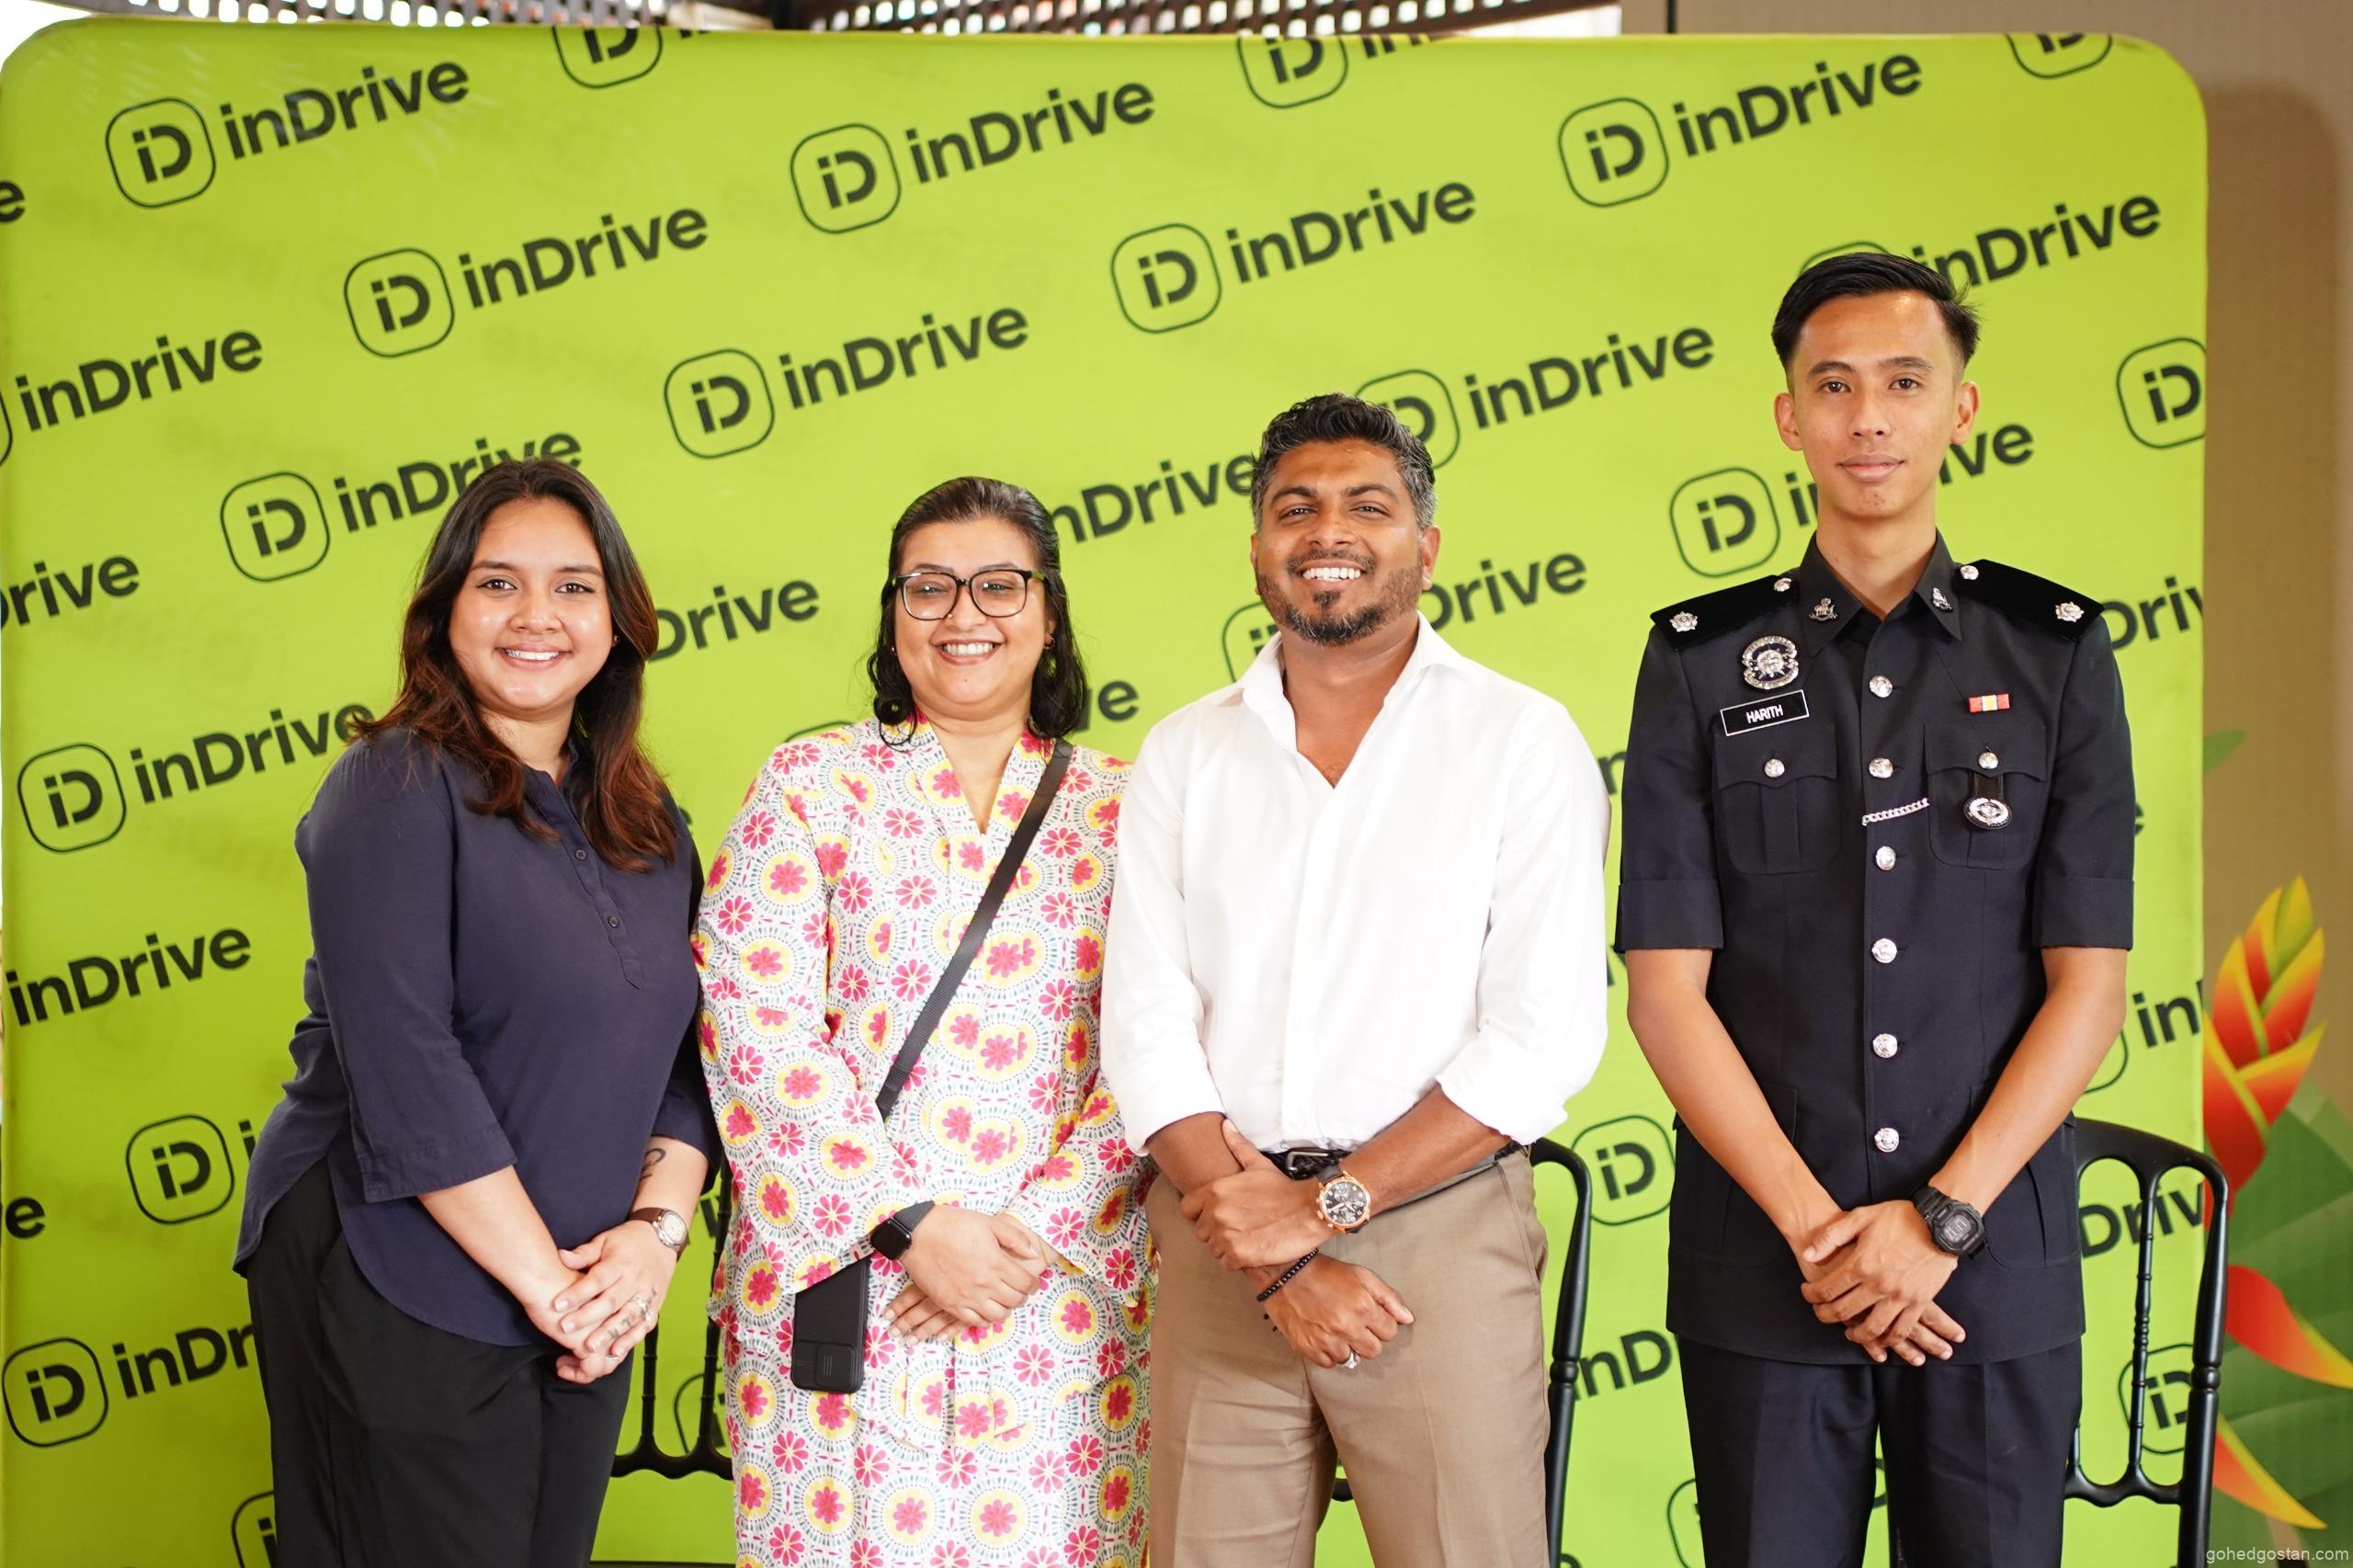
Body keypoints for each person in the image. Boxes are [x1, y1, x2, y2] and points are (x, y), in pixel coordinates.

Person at [1617, 252, 2134, 1568]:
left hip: (1991, 1268)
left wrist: (1941, 1220)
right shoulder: (1699, 661)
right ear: (1787, 417)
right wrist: (1824, 1239)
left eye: (1905, 382)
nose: (1869, 417)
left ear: (1962, 408)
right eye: (1833, 385)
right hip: (1767, 1270)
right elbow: (1665, 989)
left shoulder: (2056, 651)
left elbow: (2089, 982)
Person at [1098, 392, 1610, 1568]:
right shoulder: (1185, 750)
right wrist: (1273, 1247)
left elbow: (1540, 1037)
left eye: (1366, 507)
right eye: (1296, 509)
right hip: (1222, 1236)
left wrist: (1323, 1210)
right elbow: (1145, 1025)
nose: (1327, 531)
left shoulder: (1521, 740)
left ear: (1426, 544)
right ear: (1257, 549)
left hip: (1438, 1234)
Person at [234, 458, 720, 1567]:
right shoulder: (392, 783)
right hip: (394, 1263)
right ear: (444, 611)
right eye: (498, 582)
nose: (536, 615)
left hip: (585, 1289)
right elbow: (407, 1067)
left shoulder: (649, 822)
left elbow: (687, 1063)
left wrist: (649, 1242)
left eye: (573, 586)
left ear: (618, 620)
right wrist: (551, 1287)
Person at [696, 477, 1152, 1568]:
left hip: (1049, 1295)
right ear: (892, 612)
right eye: (928, 586)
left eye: (999, 584)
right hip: (846, 1280)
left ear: (1049, 614)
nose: (962, 614)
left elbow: (1166, 1037)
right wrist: (906, 1221)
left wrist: (1024, 1236)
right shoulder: (808, 784)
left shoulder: (1131, 806)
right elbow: (753, 1019)